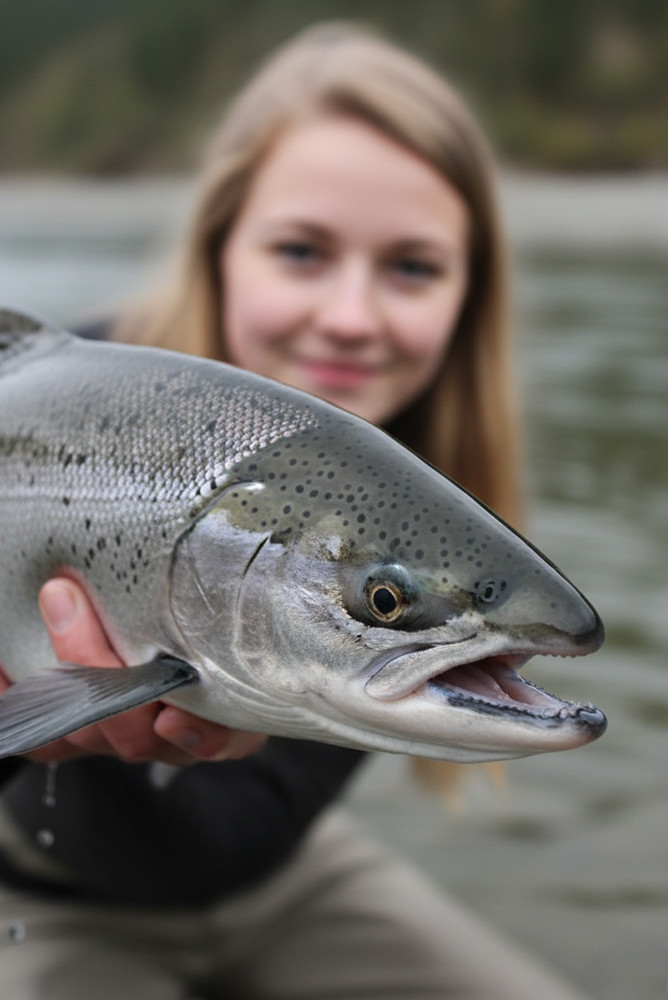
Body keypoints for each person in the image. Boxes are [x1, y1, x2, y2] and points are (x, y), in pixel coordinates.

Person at [0, 22, 592, 1000]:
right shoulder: (83, 399)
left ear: (466, 294)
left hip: (281, 873)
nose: (351, 316)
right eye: (301, 250)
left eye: (410, 266)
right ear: (220, 247)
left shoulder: (413, 492)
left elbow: (237, 837)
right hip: (38, 892)